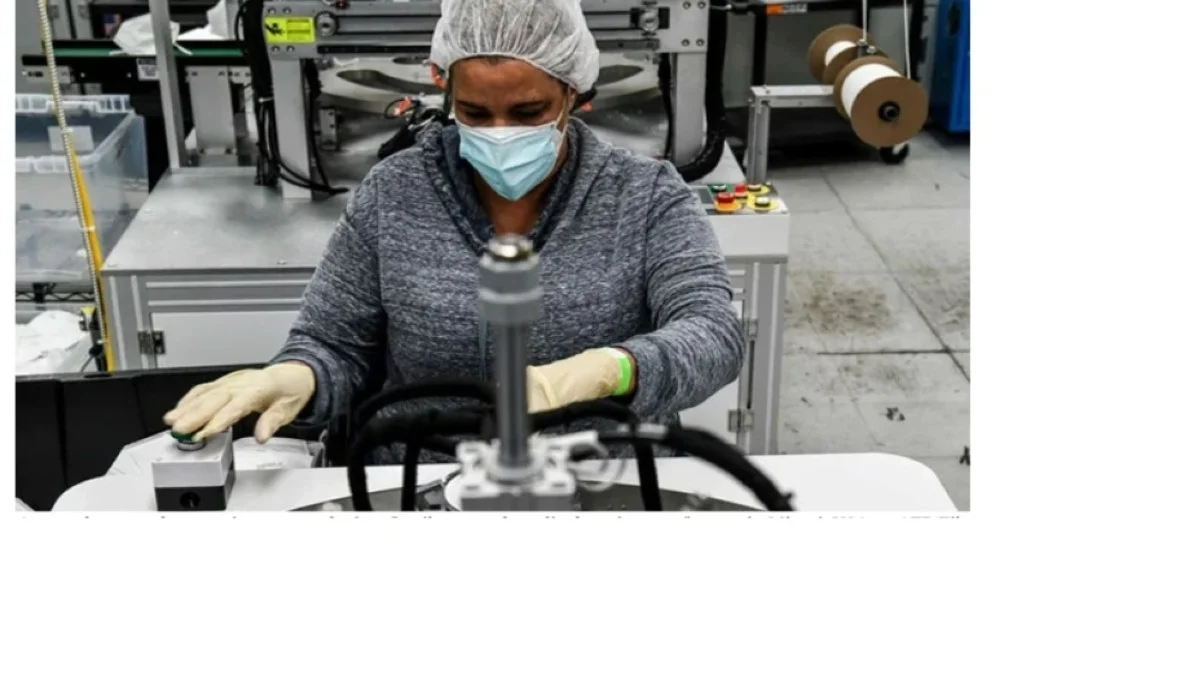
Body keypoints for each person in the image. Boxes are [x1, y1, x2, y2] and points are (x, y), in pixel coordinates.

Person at [163, 0, 744, 464]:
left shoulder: (645, 196)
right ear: (445, 91)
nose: (500, 133)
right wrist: (299, 375)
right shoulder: (395, 193)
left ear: (574, 93)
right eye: (474, 112)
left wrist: (604, 371)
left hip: (596, 478)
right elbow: (335, 343)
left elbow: (714, 335)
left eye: (527, 113)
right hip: (420, 478)